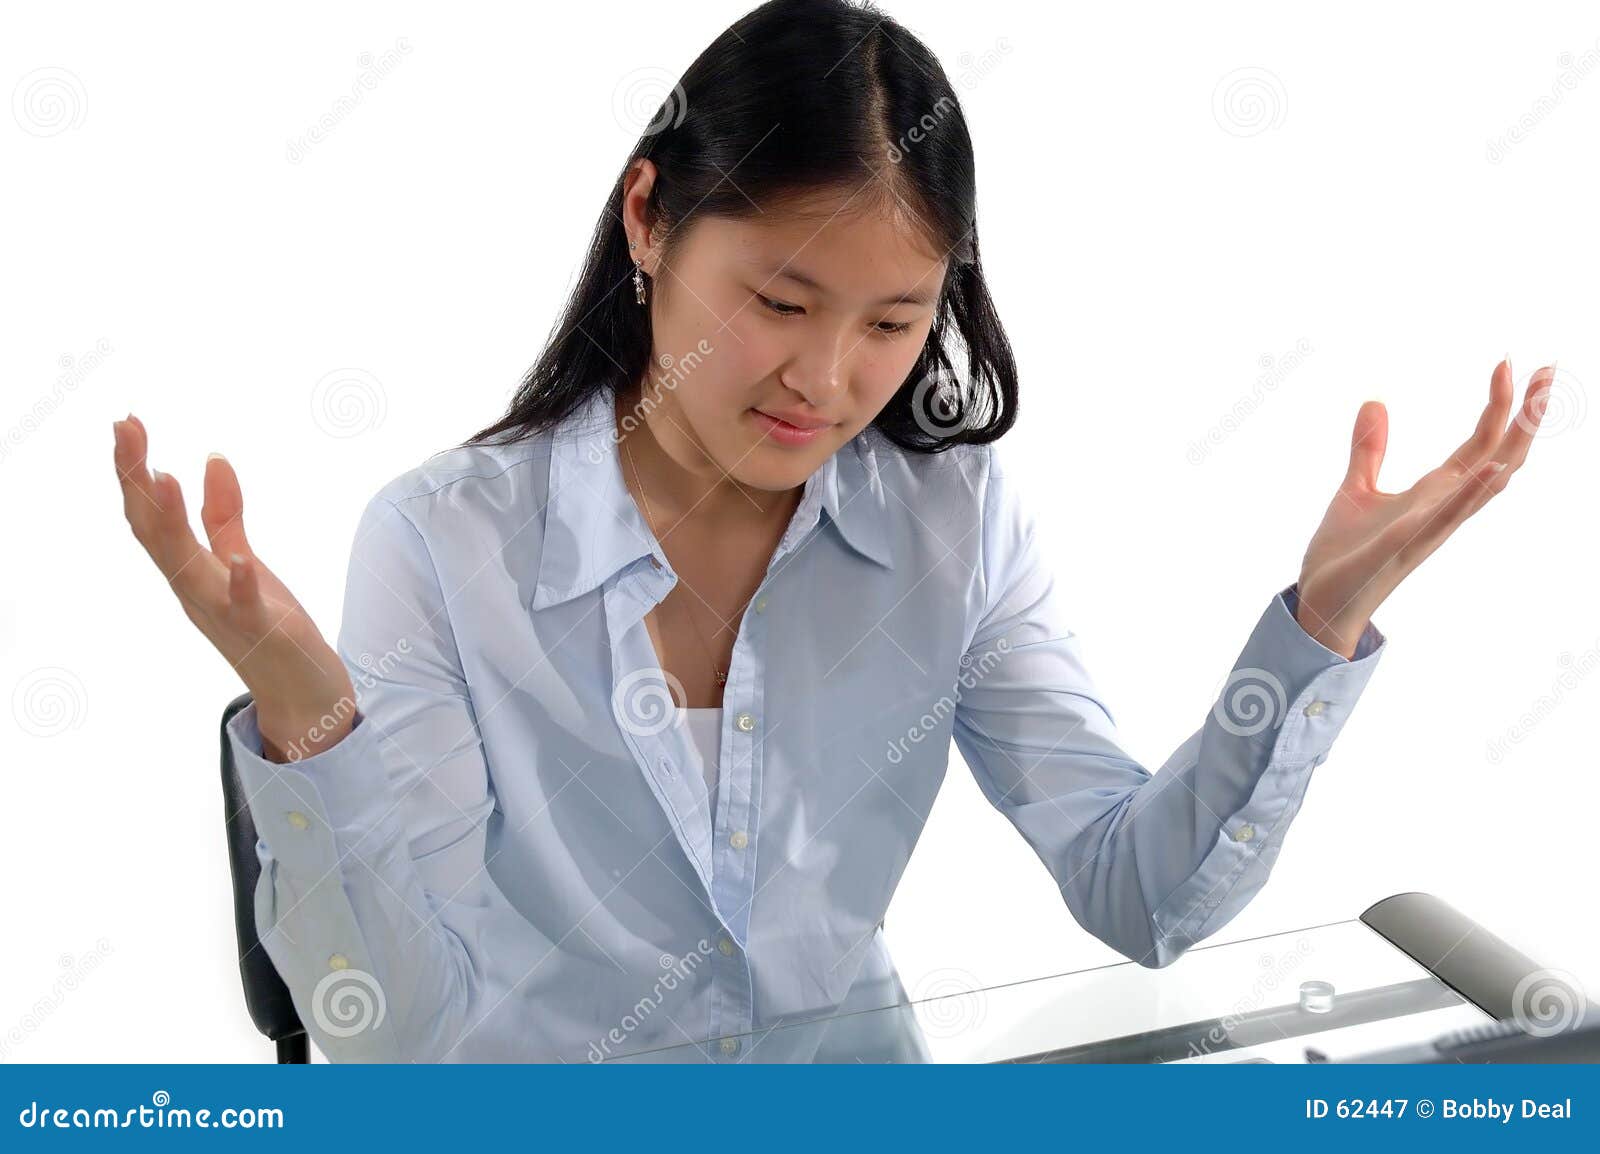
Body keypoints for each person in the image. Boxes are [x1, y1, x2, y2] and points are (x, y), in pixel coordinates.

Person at [111, 0, 1553, 1063]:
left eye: (892, 322)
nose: (826, 379)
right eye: (782, 304)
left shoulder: (956, 526)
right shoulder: (443, 543)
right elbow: (392, 1032)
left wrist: (1318, 627)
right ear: (649, 219)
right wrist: (307, 722)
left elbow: (1145, 896)